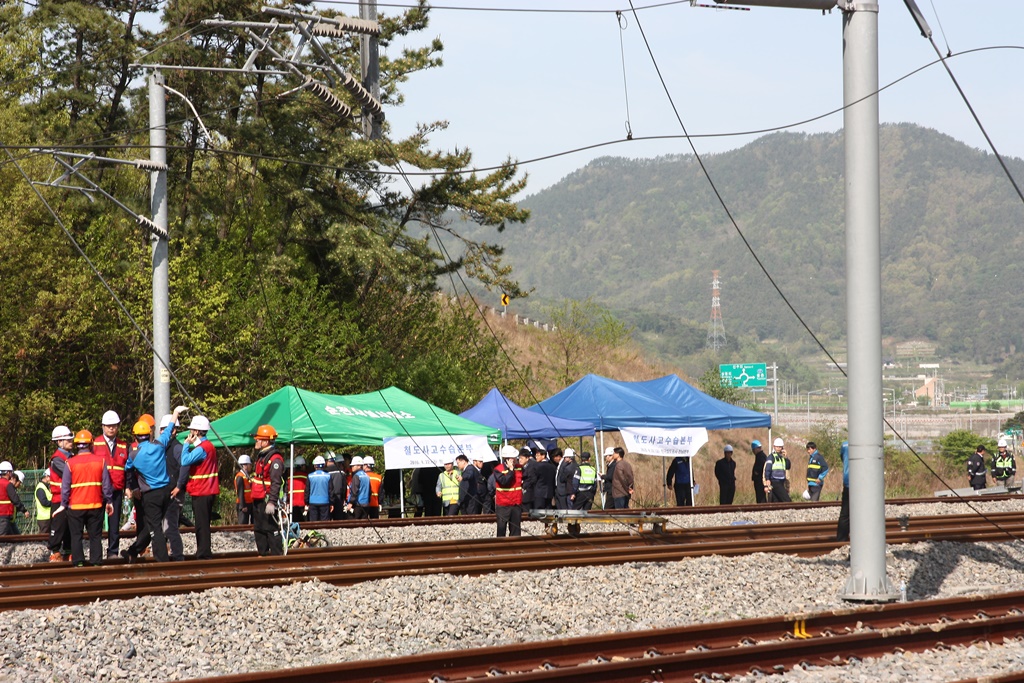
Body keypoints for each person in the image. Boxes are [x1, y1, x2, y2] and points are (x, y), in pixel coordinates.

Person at [121, 406, 188, 563]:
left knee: (155, 529)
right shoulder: (159, 445)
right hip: (166, 492)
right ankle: (133, 551)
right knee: (154, 524)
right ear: (150, 433)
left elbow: (127, 470)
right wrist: (176, 412)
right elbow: (168, 430)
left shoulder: (133, 455)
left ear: (136, 437)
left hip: (151, 495)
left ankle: (162, 561)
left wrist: (132, 487)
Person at [61, 431, 115, 566]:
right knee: (95, 536)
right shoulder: (100, 461)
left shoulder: (70, 463)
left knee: (76, 536)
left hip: (76, 507)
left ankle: (78, 562)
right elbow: (106, 485)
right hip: (95, 505)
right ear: (91, 444)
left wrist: (64, 503)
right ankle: (96, 562)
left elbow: (65, 487)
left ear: (76, 445)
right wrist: (109, 501)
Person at [180, 415, 219, 560]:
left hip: (202, 490)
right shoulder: (208, 446)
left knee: (201, 524)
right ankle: (204, 551)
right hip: (208, 490)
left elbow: (184, 461)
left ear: (196, 431)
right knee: (204, 523)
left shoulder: (202, 448)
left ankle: (203, 553)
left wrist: (186, 444)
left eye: (192, 430)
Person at [92, 409, 129, 559]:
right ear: (103, 426)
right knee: (97, 523)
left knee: (114, 525)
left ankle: (113, 552)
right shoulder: (95, 444)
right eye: (108, 425)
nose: (111, 428)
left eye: (114, 425)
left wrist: (127, 487)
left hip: (117, 489)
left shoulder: (123, 445)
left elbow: (127, 468)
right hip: (99, 490)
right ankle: (97, 553)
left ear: (118, 426)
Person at [250, 424, 285, 555]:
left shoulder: (275, 459)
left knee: (270, 529)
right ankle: (263, 555)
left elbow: (276, 482)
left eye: (258, 439)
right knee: (259, 529)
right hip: (258, 498)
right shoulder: (262, 456)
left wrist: (272, 502)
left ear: (265, 441)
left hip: (266, 499)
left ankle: (277, 556)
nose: (256, 441)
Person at [48, 425, 75, 562]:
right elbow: (70, 474)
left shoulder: (71, 457)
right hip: (59, 498)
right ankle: (55, 551)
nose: (71, 442)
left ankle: (69, 551)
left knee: (70, 527)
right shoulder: (57, 459)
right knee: (58, 526)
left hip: (70, 498)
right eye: (68, 440)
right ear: (59, 442)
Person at [493, 445, 523, 537]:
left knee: (516, 530)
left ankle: (516, 548)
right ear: (506, 459)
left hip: (516, 504)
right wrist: (510, 470)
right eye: (512, 458)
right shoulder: (498, 470)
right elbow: (504, 482)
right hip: (503, 505)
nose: (515, 460)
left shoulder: (519, 468)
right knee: (501, 529)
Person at [0, 462, 29, 535]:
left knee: (14, 537)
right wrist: (24, 510)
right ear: (8, 473)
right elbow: (15, 499)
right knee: (2, 537)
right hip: (5, 514)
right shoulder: (8, 485)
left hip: (5, 516)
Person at [764, 437, 791, 503]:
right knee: (787, 500)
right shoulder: (771, 457)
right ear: (774, 447)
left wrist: (786, 457)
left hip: (781, 482)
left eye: (780, 447)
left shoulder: (782, 457)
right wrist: (767, 479)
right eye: (777, 447)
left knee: (776, 501)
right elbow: (767, 469)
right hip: (774, 481)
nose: (779, 448)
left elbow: (788, 466)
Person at [307, 455, 331, 521]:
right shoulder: (328, 476)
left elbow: (307, 490)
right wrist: (332, 503)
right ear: (324, 465)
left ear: (314, 465)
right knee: (324, 523)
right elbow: (330, 490)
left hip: (312, 502)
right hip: (325, 502)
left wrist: (306, 502)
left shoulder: (310, 476)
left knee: (313, 523)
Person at [325, 452, 347, 520]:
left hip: (327, 498)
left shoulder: (325, 472)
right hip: (339, 497)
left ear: (326, 460)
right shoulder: (341, 472)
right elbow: (344, 487)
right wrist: (343, 498)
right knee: (338, 519)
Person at [836, 441, 850, 542]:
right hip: (863, 484)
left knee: (845, 514)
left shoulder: (845, 445)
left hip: (848, 481)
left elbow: (842, 458)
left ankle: (841, 539)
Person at [287, 457, 308, 524]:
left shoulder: (290, 477)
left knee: (294, 524)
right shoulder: (306, 476)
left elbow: (286, 491)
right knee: (305, 524)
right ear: (302, 466)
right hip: (303, 504)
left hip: (292, 504)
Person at [235, 455, 254, 524]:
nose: (251, 467)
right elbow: (240, 492)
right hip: (243, 504)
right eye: (249, 465)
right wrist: (242, 506)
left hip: (249, 502)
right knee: (243, 524)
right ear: (245, 465)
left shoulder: (246, 476)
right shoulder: (240, 477)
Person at [34, 470, 52, 536]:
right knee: (43, 537)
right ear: (47, 477)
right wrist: (54, 503)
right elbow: (44, 502)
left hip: (47, 517)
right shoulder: (41, 488)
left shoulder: (45, 487)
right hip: (44, 518)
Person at [750, 440, 769, 504]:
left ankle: (762, 507)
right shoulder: (761, 455)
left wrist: (756, 472)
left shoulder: (760, 456)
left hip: (760, 480)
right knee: (761, 496)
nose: (753, 451)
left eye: (753, 450)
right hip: (760, 479)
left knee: (760, 497)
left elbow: (762, 466)